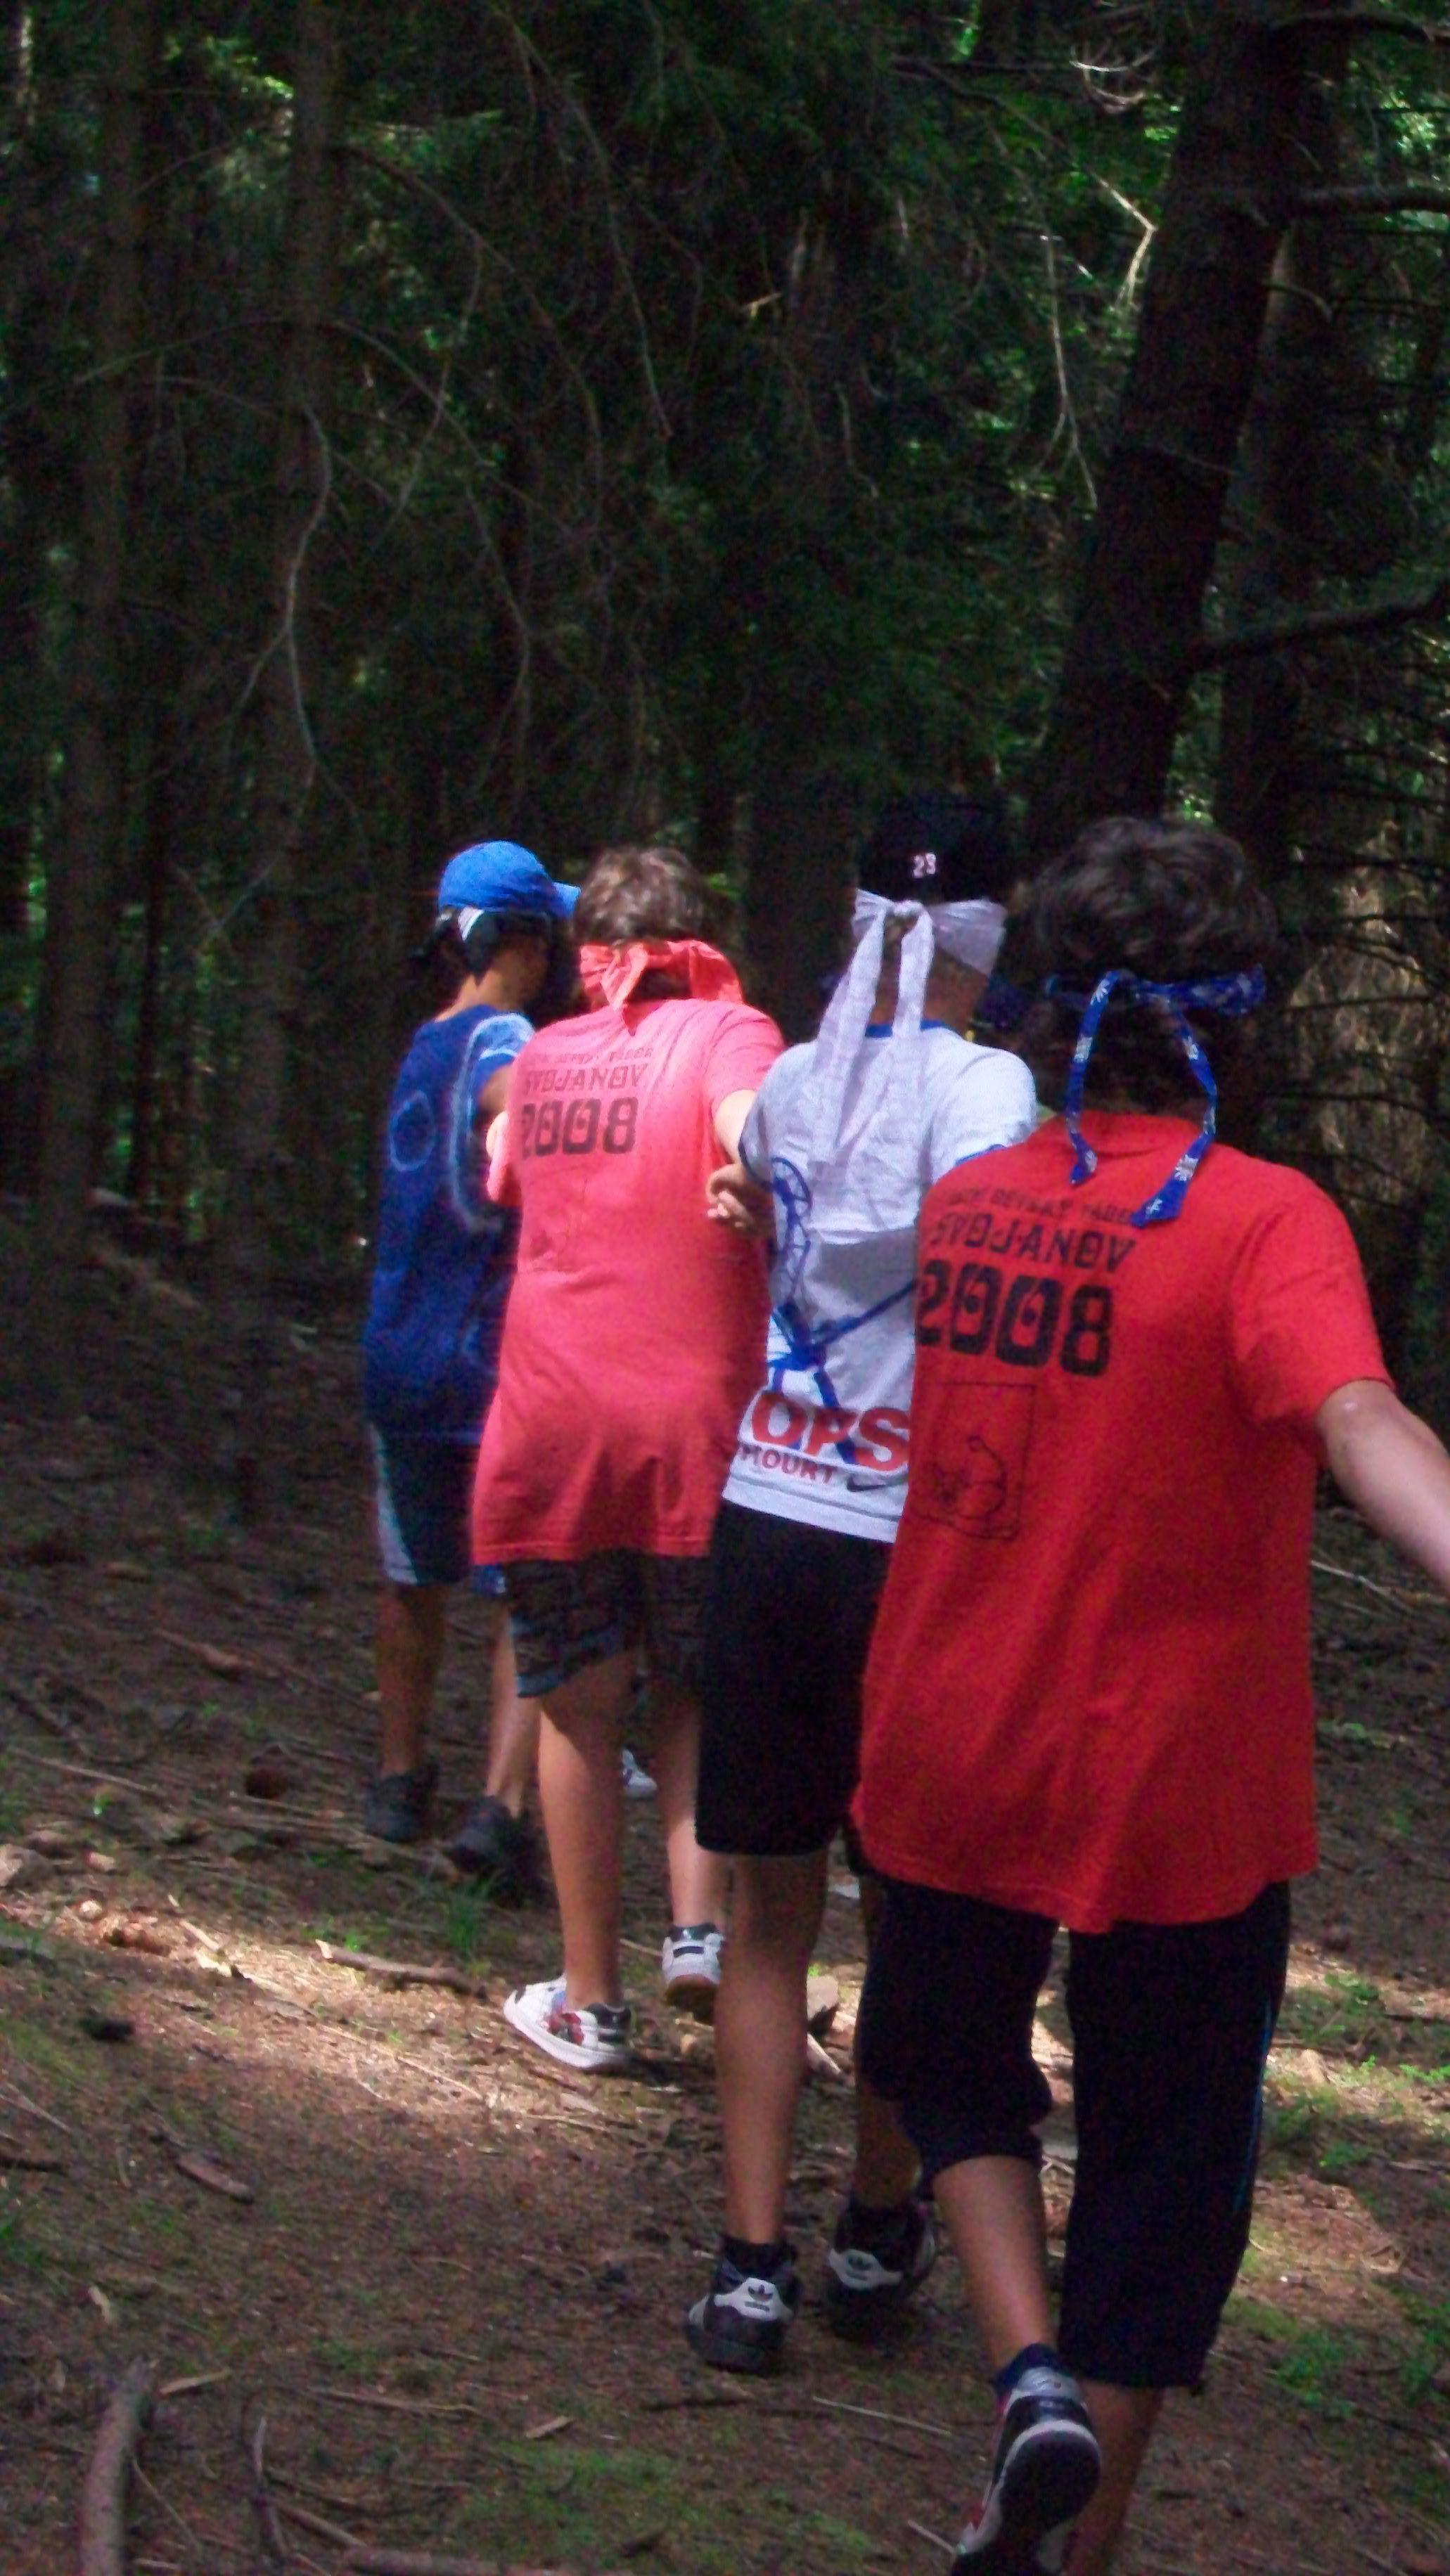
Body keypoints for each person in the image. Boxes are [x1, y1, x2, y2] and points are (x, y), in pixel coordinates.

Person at [852, 815, 1450, 2576]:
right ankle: (1066, 2535)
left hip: (951, 1730)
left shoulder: (971, 1203)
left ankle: (1021, 2368)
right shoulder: (1264, 1221)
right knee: (1163, 2171)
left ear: (1056, 1008)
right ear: (1234, 1020)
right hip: (1172, 1779)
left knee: (945, 2067)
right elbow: (1357, 1420)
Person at [682, 794, 1038, 2373]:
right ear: (988, 936)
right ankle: (876, 2227)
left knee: (768, 1911)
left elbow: (765, 1189)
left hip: (766, 1509)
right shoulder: (987, 1089)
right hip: (906, 1534)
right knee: (905, 1903)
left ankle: (747, 2265)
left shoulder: (792, 1081)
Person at [473, 844, 784, 2071]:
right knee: (694, 1684)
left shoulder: (545, 1054)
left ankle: (590, 2002)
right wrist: (760, 1179)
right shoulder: (730, 1032)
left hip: (551, 1422)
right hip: (696, 1427)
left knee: (577, 1709)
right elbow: (752, 1130)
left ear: (588, 951)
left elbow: (503, 1163)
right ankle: (697, 1934)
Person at [360, 838, 577, 1900]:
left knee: (412, 1577)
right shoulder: (508, 1041)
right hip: (487, 1366)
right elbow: (515, 1112)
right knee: (519, 1586)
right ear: (521, 942)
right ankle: (501, 1805)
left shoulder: (424, 1040)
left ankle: (398, 1779)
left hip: (398, 1353)